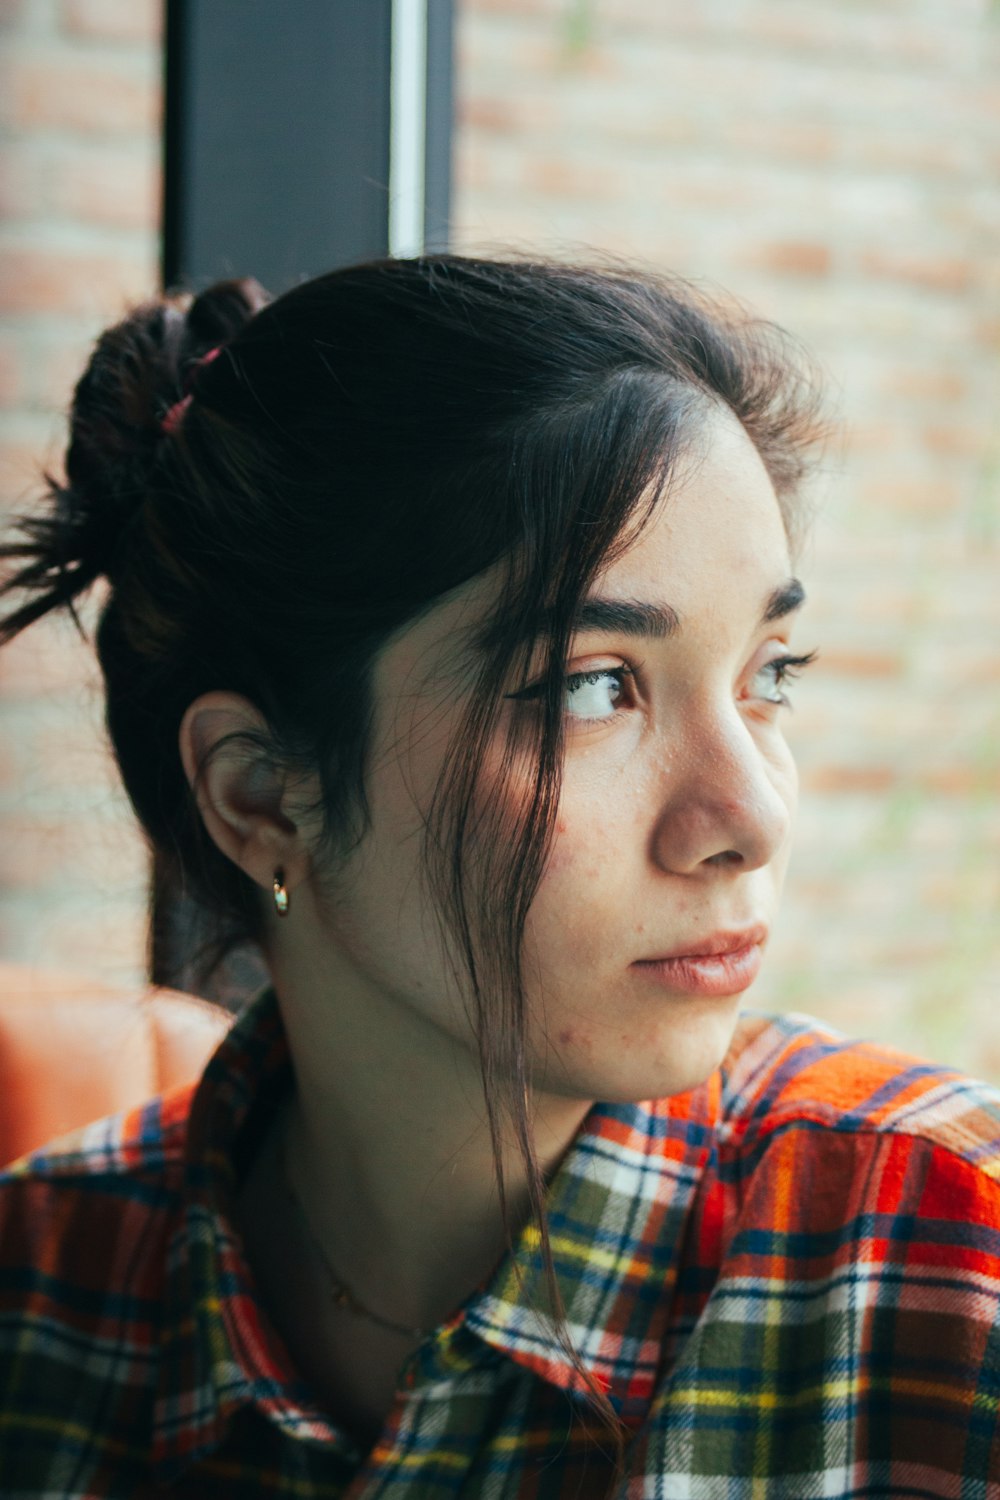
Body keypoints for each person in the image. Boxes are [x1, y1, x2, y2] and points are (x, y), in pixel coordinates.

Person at [0, 256, 998, 1498]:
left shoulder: (942, 1255)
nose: (749, 815)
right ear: (260, 792)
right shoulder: (43, 1288)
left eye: (767, 675)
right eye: (594, 688)